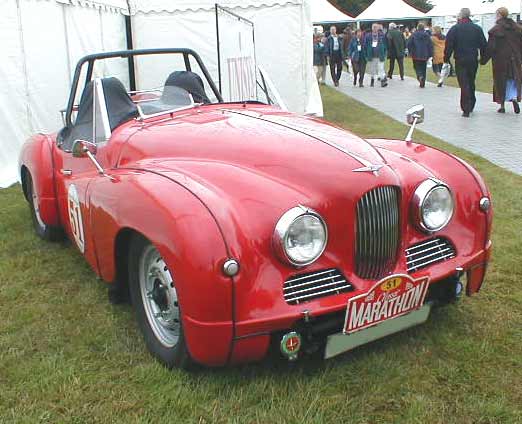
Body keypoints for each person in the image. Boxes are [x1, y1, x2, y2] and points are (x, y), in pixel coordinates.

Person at [444, 8, 487, 117]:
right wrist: (483, 58)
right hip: (472, 58)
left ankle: (466, 107)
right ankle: (471, 102)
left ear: (460, 16)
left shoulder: (455, 29)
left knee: (464, 83)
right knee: (471, 81)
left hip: (460, 59)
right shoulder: (477, 29)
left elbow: (449, 45)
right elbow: (483, 45)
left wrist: (446, 57)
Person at [481, 7, 522, 114]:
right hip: (515, 59)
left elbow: (491, 47)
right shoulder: (517, 29)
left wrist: (483, 60)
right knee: (513, 81)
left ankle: (502, 105)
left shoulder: (496, 30)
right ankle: (513, 98)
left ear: (499, 15)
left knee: (500, 82)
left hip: (500, 60)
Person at [407, 23, 433, 88]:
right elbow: (430, 45)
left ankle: (419, 76)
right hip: (425, 55)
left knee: (416, 67)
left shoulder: (413, 35)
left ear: (417, 27)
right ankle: (423, 82)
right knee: (424, 69)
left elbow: (409, 44)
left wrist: (410, 52)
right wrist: (430, 54)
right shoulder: (427, 35)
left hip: (415, 54)